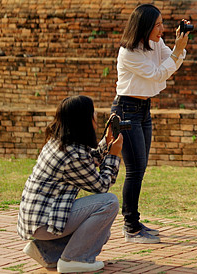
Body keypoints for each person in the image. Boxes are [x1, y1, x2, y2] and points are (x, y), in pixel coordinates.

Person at [112, 4, 190, 243]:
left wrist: (178, 47)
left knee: (140, 169)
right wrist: (177, 51)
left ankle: (134, 221)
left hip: (143, 110)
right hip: (126, 110)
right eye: (157, 24)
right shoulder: (129, 52)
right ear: (144, 26)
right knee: (135, 170)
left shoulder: (156, 44)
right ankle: (130, 227)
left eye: (162, 23)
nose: (162, 29)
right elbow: (158, 73)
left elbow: (172, 63)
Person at [18, 95, 123, 273]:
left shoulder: (59, 142)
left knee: (101, 231)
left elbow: (87, 162)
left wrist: (106, 142)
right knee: (109, 203)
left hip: (36, 219)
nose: (96, 116)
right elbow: (102, 185)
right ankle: (74, 260)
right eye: (93, 113)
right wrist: (114, 155)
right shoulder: (72, 154)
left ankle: (47, 252)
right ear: (84, 119)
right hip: (44, 222)